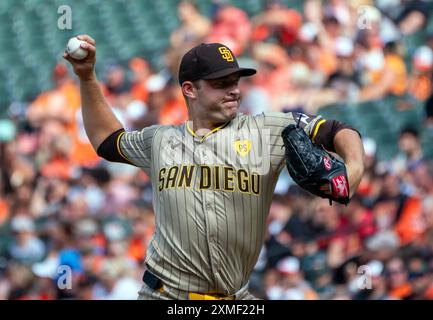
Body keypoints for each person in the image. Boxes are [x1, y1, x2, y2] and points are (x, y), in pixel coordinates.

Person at [63, 35, 365, 300]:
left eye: (234, 81)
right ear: (190, 89)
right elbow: (106, 141)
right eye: (220, 84)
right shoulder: (160, 141)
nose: (233, 90)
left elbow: (338, 129)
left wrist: (353, 170)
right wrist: (87, 78)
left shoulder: (268, 130)